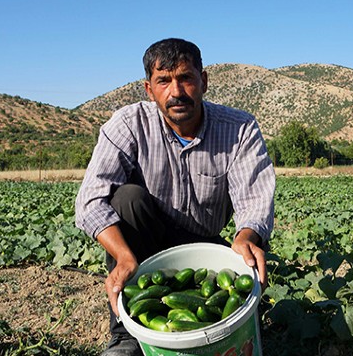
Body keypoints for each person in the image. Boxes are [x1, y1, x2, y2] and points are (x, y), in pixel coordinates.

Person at [74, 38, 275, 356]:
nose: (176, 91)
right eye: (164, 81)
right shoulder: (129, 124)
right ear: (148, 89)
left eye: (186, 78)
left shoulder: (239, 128)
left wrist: (247, 235)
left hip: (206, 242)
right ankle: (125, 335)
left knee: (243, 263)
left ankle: (233, 326)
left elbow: (254, 199)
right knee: (126, 197)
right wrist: (125, 259)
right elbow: (90, 200)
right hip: (145, 238)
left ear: (203, 81)